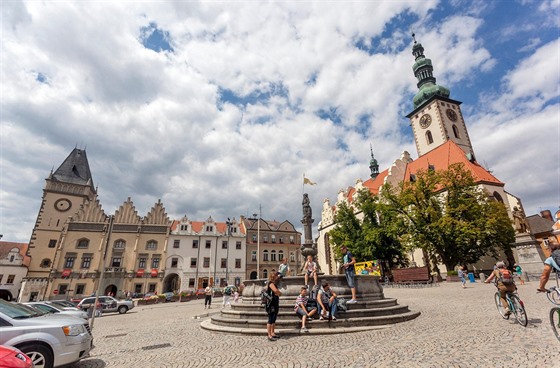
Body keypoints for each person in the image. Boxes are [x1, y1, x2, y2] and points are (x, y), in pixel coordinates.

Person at [266, 271, 282, 341]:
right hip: (271, 304)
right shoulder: (270, 283)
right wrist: (279, 293)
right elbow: (276, 291)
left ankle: (273, 333)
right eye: (276, 276)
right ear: (273, 276)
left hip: (275, 303)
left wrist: (278, 293)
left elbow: (278, 293)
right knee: (270, 319)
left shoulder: (274, 283)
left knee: (274, 319)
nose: (277, 277)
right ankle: (269, 335)